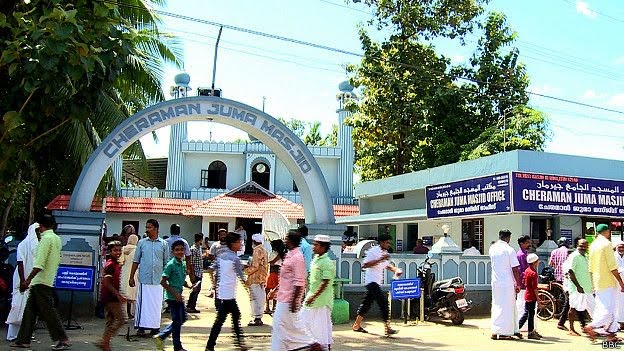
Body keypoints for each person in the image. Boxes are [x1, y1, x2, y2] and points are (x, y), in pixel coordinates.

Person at [11, 214, 71, 350]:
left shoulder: (46, 240)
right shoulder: (56, 239)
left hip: (40, 280)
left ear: (40, 227)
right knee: (30, 311)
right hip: (48, 278)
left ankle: (62, 338)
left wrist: (28, 280)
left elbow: (39, 263)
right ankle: (23, 339)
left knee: (48, 312)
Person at [271, 230, 321, 351]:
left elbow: (300, 282)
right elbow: (286, 278)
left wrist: (295, 300)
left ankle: (311, 344)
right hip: (282, 297)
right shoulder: (290, 254)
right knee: (282, 328)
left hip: (288, 300)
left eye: (287, 238)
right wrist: (275, 290)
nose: (285, 240)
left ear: (292, 241)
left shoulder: (297, 257)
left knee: (287, 327)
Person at [205, 232, 250, 351]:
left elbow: (210, 269)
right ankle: (237, 343)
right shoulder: (235, 258)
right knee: (225, 319)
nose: (240, 244)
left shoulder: (221, 256)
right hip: (227, 295)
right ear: (233, 244)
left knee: (231, 317)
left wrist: (214, 284)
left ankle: (237, 342)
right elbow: (241, 276)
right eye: (239, 242)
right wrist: (249, 289)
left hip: (222, 293)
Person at [352, 234, 402, 337]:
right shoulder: (373, 251)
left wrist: (395, 270)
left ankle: (356, 325)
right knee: (383, 303)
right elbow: (365, 264)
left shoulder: (384, 253)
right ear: (381, 242)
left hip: (376, 282)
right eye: (387, 242)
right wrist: (380, 259)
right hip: (371, 282)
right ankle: (387, 328)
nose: (389, 244)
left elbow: (386, 265)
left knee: (367, 303)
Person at [583, 224, 624, 342]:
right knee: (608, 309)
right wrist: (621, 283)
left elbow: (590, 268)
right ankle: (592, 327)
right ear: (607, 231)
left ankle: (610, 335)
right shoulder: (606, 244)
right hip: (608, 281)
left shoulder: (593, 245)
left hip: (597, 281)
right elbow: (612, 266)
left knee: (605, 308)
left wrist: (592, 283)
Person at [129, 218, 169, 337]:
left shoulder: (164, 244)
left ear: (156, 229)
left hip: (158, 280)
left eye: (149, 227)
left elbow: (166, 263)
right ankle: (141, 328)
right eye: (146, 227)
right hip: (144, 279)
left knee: (156, 305)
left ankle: (155, 328)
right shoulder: (141, 243)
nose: (147, 230)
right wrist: (131, 277)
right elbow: (136, 261)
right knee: (143, 304)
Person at [153, 240, 196, 351]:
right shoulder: (170, 265)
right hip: (172, 298)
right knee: (177, 321)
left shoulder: (182, 264)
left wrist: (190, 286)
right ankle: (174, 344)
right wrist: (174, 293)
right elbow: (163, 282)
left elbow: (181, 280)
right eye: (177, 250)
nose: (180, 252)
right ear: (172, 252)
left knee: (182, 319)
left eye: (182, 250)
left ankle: (163, 337)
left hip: (179, 296)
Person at [300, 235, 335, 350]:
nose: (313, 247)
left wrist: (314, 296)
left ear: (323, 247)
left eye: (316, 245)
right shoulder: (315, 259)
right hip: (312, 298)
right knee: (304, 323)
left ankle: (322, 347)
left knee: (321, 328)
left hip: (321, 301)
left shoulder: (327, 262)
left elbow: (325, 282)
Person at [6, 222, 39, 342]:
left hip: (31, 279)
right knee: (17, 305)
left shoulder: (37, 246)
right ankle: (13, 335)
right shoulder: (24, 245)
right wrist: (23, 281)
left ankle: (25, 333)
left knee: (28, 306)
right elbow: (20, 264)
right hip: (22, 279)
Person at [489, 229, 522, 341]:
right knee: (507, 307)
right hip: (507, 283)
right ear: (508, 238)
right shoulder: (509, 249)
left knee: (497, 305)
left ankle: (497, 331)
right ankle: (503, 332)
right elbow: (515, 269)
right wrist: (518, 284)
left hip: (496, 282)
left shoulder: (492, 248)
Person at [97, 241, 127, 351]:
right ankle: (104, 341)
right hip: (110, 297)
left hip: (110, 296)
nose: (118, 252)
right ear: (110, 251)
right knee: (121, 319)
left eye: (119, 250)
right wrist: (118, 295)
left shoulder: (115, 264)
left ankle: (105, 344)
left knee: (111, 320)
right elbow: (106, 283)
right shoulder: (110, 265)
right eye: (115, 250)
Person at [567, 238, 593, 336]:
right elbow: (570, 271)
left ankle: (592, 328)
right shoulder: (574, 256)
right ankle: (571, 328)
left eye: (585, 246)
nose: (583, 247)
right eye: (581, 245)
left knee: (591, 308)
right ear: (577, 245)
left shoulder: (586, 256)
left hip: (587, 287)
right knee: (573, 308)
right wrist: (578, 286)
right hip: (577, 288)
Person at [518, 253, 542, 340]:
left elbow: (525, 283)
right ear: (535, 262)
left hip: (528, 294)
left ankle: (529, 331)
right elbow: (535, 288)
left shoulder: (527, 270)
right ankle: (521, 329)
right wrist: (538, 298)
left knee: (529, 313)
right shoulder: (533, 273)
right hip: (531, 296)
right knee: (529, 314)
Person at [245, 233, 268, 326]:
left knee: (255, 298)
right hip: (262, 277)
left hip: (255, 278)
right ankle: (259, 316)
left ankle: (257, 318)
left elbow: (255, 266)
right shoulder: (264, 249)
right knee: (261, 297)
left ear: (254, 241)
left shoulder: (256, 250)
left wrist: (246, 270)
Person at [119, 233, 139, 318]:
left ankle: (125, 315)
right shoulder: (138, 250)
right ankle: (133, 313)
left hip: (124, 273)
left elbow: (120, 261)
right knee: (133, 294)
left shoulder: (123, 249)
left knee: (124, 294)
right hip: (134, 274)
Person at [265, 239, 286, 314]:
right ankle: (274, 307)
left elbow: (271, 262)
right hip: (280, 274)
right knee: (276, 291)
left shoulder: (273, 253)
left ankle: (267, 307)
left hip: (273, 273)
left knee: (267, 290)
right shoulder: (283, 254)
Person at [516, 235, 531, 332]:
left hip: (526, 282)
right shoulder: (520, 255)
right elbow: (521, 270)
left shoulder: (525, 253)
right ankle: (520, 326)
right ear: (521, 244)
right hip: (523, 283)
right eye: (527, 243)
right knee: (522, 304)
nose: (528, 244)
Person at [186, 233, 204, 313]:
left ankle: (190, 305)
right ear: (200, 240)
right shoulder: (193, 249)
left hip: (199, 272)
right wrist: (192, 275)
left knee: (196, 290)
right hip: (196, 273)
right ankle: (191, 306)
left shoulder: (199, 248)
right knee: (195, 290)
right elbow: (191, 263)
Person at [614, 241, 624, 331]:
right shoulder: (613, 257)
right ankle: (617, 323)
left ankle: (622, 323)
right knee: (617, 303)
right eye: (619, 247)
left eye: (622, 247)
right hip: (616, 284)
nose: (621, 249)